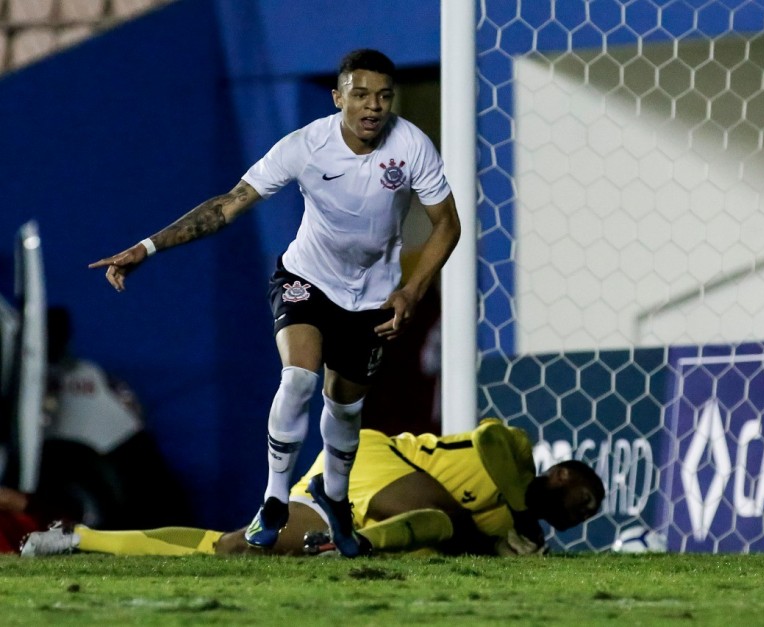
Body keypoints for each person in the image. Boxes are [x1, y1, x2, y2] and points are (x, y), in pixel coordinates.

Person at [87, 49, 461, 556]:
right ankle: (274, 501)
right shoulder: (306, 146)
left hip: (373, 297)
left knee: (345, 410)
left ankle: (334, 497)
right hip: (305, 278)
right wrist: (147, 247)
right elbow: (227, 205)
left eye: (384, 96)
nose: (373, 106)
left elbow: (448, 224)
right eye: (361, 95)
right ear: (338, 98)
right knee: (298, 377)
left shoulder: (411, 145)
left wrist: (411, 291)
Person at [20, 419, 605, 557]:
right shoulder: (516, 450)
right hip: (379, 457)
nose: (583, 506)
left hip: (356, 500)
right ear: (558, 474)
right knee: (446, 522)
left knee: (232, 548)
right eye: (582, 492)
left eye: (590, 511)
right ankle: (356, 544)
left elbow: (506, 558)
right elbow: (494, 448)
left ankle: (77, 540)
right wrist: (508, 529)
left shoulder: (519, 535)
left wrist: (517, 542)